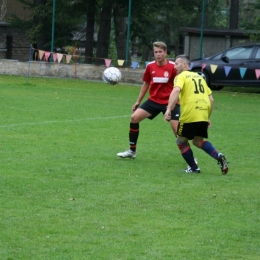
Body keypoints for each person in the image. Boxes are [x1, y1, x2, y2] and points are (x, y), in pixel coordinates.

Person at [164, 54, 228, 174]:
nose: (175, 67)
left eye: (177, 64)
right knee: (197, 141)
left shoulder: (181, 76)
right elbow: (212, 100)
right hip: (203, 113)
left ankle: (194, 168)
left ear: (184, 65)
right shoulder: (200, 77)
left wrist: (168, 109)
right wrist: (207, 117)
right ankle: (218, 156)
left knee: (180, 141)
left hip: (190, 113)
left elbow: (176, 90)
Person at [117, 41, 180, 159]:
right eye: (156, 52)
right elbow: (146, 83)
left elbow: (179, 86)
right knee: (134, 118)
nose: (158, 54)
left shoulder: (173, 67)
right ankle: (132, 151)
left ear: (165, 53)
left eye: (160, 52)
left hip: (170, 102)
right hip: (153, 101)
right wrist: (138, 101)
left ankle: (190, 157)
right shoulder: (150, 66)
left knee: (177, 130)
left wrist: (178, 102)